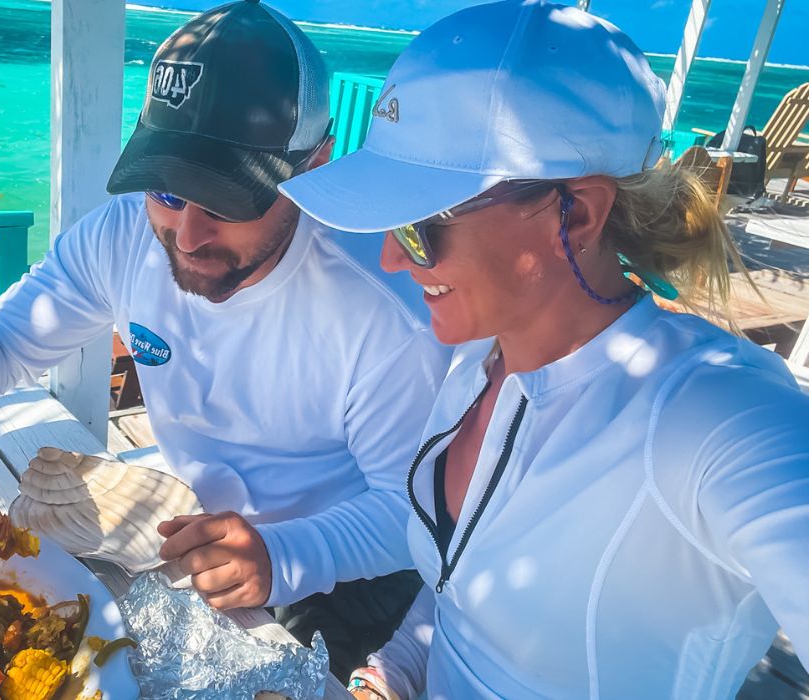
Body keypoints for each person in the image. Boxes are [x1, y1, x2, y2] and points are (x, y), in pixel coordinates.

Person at [0, 0, 451, 677]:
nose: (188, 237)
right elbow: (11, 331)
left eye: (228, 201)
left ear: (314, 167)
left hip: (352, 578)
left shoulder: (383, 308)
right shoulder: (122, 236)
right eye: (166, 192)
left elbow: (421, 511)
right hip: (199, 535)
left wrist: (286, 555)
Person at [280, 1, 809, 698]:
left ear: (578, 211)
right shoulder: (478, 363)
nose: (389, 258)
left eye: (417, 225)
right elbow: (454, 592)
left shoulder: (716, 414)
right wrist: (388, 676)